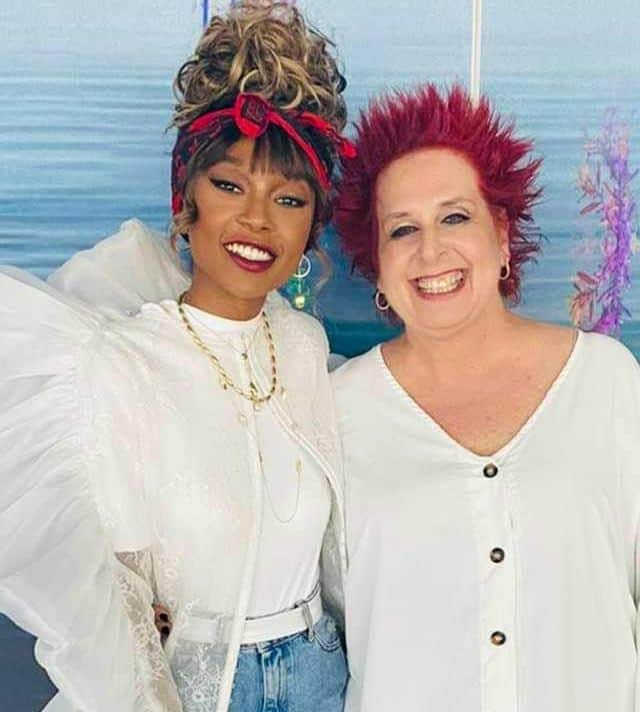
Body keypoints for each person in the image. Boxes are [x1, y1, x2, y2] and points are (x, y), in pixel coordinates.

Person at [0, 3, 354, 711]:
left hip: (323, 673)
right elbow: (126, 596)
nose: (256, 220)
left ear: (312, 227)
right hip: (201, 686)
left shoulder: (304, 346)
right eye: (229, 186)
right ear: (185, 200)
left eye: (288, 199)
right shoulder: (124, 363)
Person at [331, 83, 640, 712]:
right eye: (402, 229)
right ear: (377, 265)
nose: (431, 250)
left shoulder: (605, 380)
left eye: (454, 217)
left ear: (501, 234)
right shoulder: (334, 410)